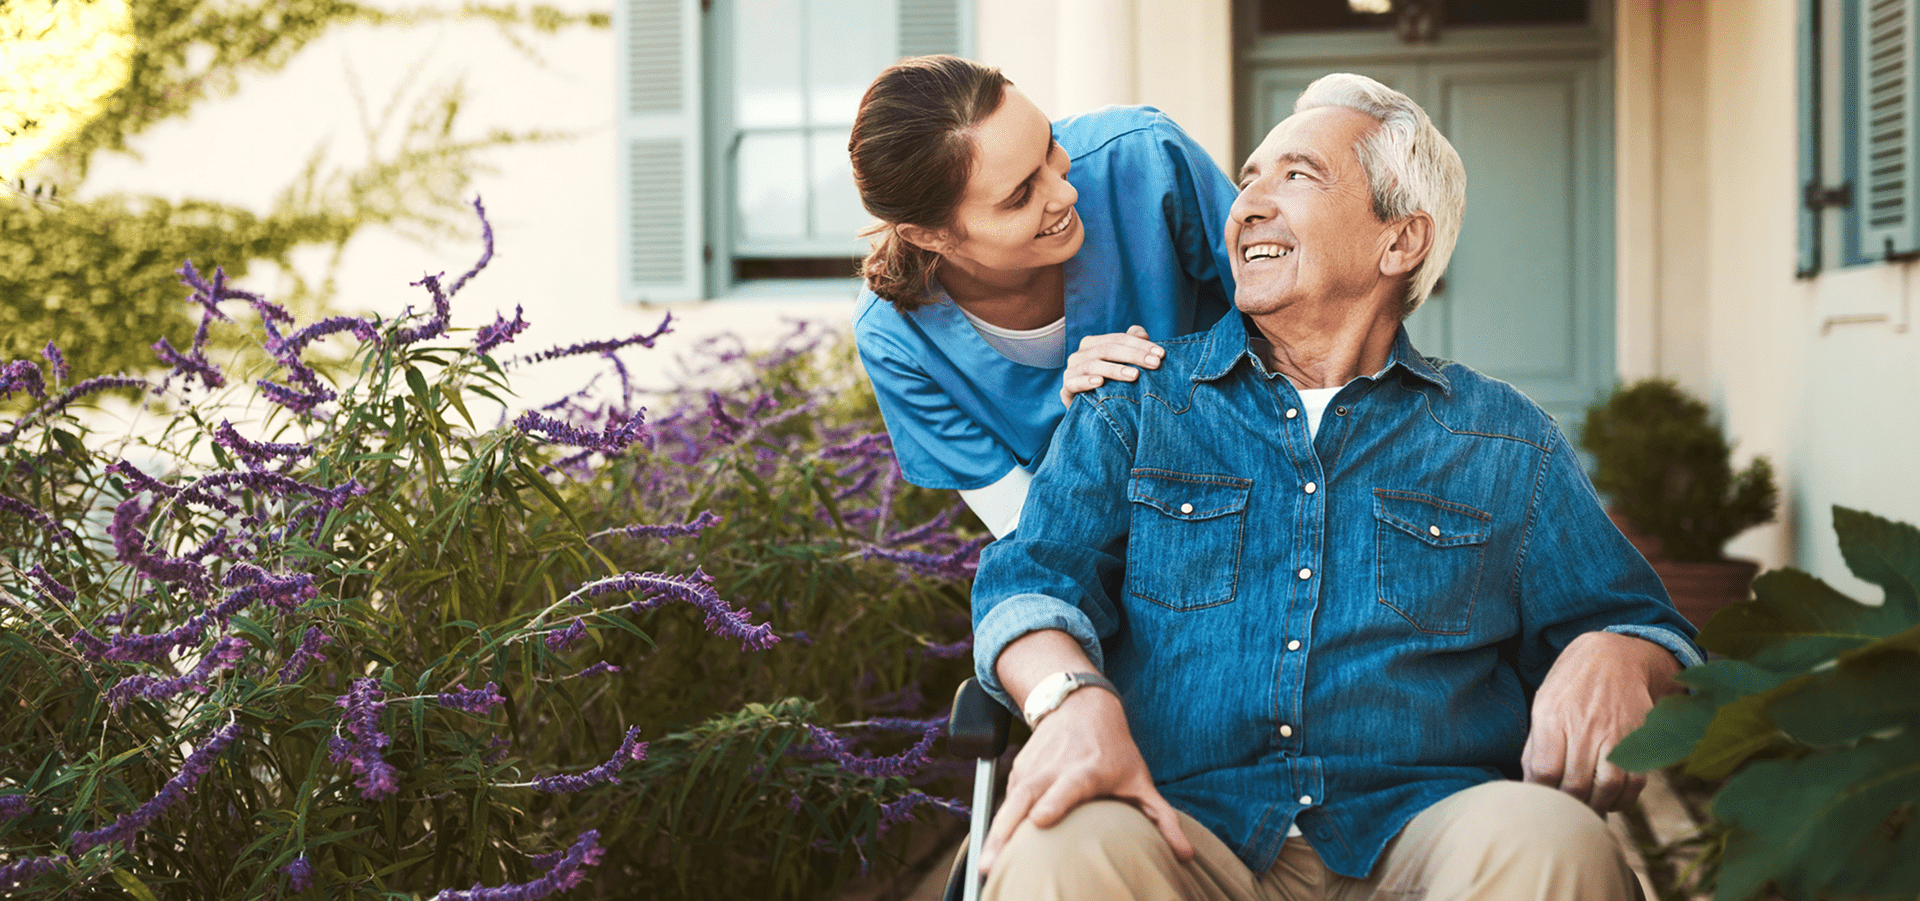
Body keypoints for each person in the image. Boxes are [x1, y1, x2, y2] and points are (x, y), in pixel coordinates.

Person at [967, 72, 1702, 901]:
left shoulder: (1503, 439)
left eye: (1297, 174)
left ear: (1400, 242)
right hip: (1180, 828)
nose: (1246, 203)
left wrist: (1618, 651)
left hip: (1425, 834)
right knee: (1058, 849)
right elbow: (1028, 584)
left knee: (1555, 841)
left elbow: (1648, 626)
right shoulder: (1136, 402)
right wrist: (1069, 699)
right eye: (1248, 179)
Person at [849, 55, 1239, 538]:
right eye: (1018, 197)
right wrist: (1088, 432)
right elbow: (1032, 533)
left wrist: (1160, 385)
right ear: (931, 236)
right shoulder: (896, 342)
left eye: (1050, 145)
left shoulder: (1145, 157)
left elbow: (1304, 321)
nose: (1066, 194)